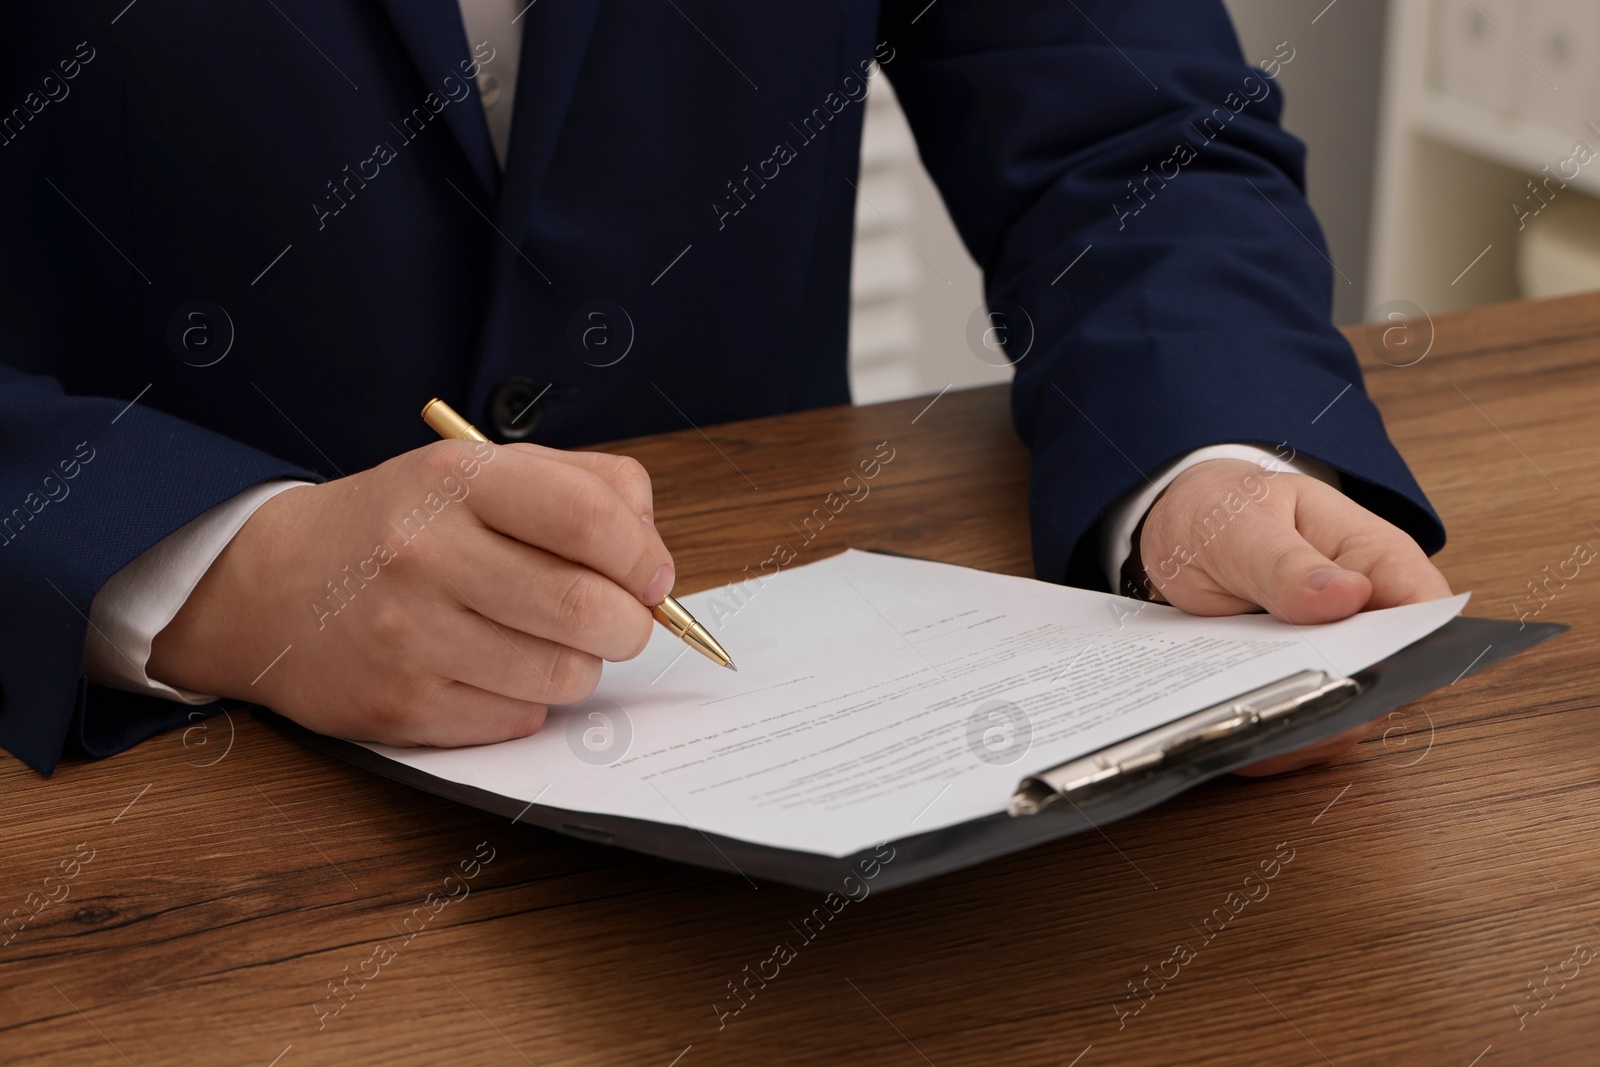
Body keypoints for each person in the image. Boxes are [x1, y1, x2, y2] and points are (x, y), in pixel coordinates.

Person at [0, 1, 1448, 778]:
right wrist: (213, 576)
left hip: (763, 735)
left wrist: (1204, 456)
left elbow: (1134, 130)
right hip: (149, 809)